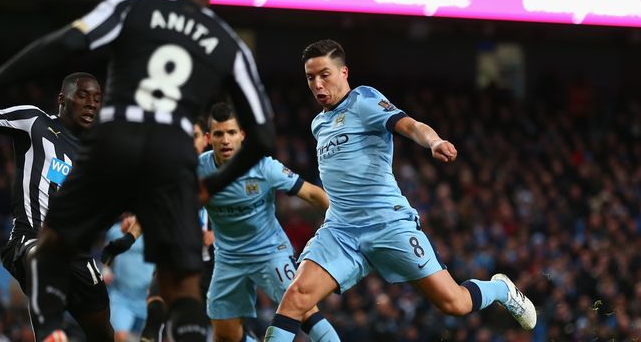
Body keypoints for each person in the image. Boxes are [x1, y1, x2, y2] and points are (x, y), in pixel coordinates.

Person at [0, 0, 275, 342]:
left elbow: (66, 42)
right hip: (172, 157)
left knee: (53, 245)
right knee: (181, 289)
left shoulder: (134, 7)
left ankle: (52, 326)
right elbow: (265, 136)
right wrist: (208, 185)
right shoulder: (229, 43)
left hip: (115, 141)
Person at [263, 40, 537, 342]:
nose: (317, 84)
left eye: (324, 74)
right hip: (341, 230)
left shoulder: (363, 100)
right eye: (310, 77)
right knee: (296, 296)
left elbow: (410, 125)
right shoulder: (319, 123)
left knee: (454, 304)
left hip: (387, 225)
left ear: (343, 72)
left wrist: (433, 141)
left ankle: (501, 289)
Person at [0, 72, 112, 341]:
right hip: (31, 239)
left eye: (97, 98)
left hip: (78, 253)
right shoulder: (34, 120)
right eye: (82, 95)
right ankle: (49, 334)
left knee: (104, 334)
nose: (91, 103)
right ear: (62, 98)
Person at [200, 102, 339, 342]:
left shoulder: (264, 167)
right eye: (219, 133)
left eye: (231, 133)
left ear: (242, 135)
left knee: (304, 308)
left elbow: (313, 194)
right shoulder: (198, 170)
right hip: (228, 258)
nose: (225, 140)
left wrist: (343, 222)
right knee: (224, 334)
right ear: (207, 137)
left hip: (270, 252)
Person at [100, 119, 214, 342]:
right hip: (171, 262)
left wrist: (217, 236)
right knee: (155, 318)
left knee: (217, 332)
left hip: (212, 268)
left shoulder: (218, 172)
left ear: (206, 140)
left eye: (194, 136)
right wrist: (130, 237)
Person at [101, 214, 154, 342]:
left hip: (147, 298)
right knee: (119, 336)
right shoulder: (114, 231)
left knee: (149, 338)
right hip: (122, 296)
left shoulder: (153, 231)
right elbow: (105, 255)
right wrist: (105, 270)